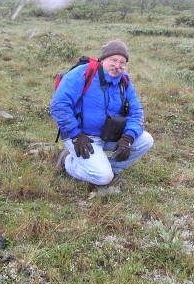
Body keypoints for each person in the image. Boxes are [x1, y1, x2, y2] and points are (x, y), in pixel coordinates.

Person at [50, 40, 153, 186]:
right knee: (102, 178)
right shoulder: (83, 73)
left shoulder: (125, 81)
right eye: (114, 60)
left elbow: (136, 112)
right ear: (103, 59)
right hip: (81, 137)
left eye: (122, 62)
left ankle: (111, 170)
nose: (117, 66)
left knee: (146, 140)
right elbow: (59, 105)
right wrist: (75, 134)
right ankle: (66, 162)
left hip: (109, 134)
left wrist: (128, 138)